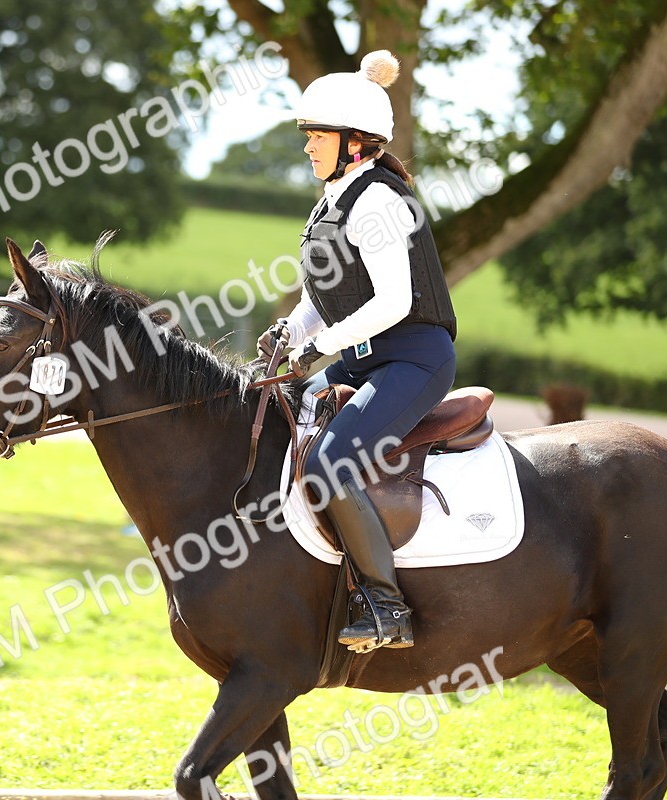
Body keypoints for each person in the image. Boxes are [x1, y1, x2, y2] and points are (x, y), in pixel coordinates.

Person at [258, 50, 457, 651]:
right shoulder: (332, 200)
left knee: (330, 462)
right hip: (367, 354)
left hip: (413, 357)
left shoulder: (378, 200)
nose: (308, 145)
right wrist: (290, 334)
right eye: (308, 134)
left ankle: (386, 607)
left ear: (355, 141)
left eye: (318, 134)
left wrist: (318, 345)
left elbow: (393, 302)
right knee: (273, 421)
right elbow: (328, 296)